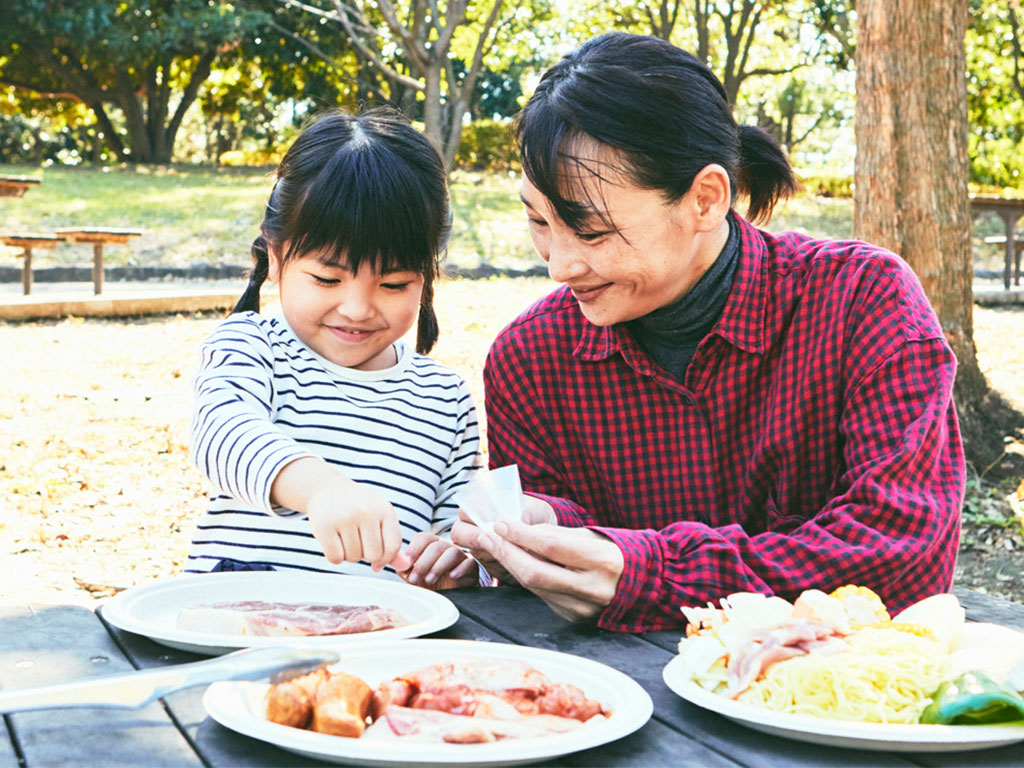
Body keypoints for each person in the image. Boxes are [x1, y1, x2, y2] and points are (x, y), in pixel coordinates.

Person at [451, 32, 965, 631]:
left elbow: (906, 557)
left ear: (705, 199)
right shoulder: (530, 360)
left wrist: (650, 573)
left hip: (840, 706)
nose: (559, 265)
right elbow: (562, 546)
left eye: (589, 232)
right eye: (539, 221)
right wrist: (541, 528)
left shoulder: (862, 303)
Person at [186, 109, 481, 588]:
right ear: (277, 257)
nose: (357, 308)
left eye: (392, 284)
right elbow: (222, 436)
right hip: (237, 629)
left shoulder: (445, 399)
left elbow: (461, 533)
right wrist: (320, 488)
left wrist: (455, 556)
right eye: (327, 278)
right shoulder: (252, 347)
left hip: (379, 643)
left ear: (425, 278)